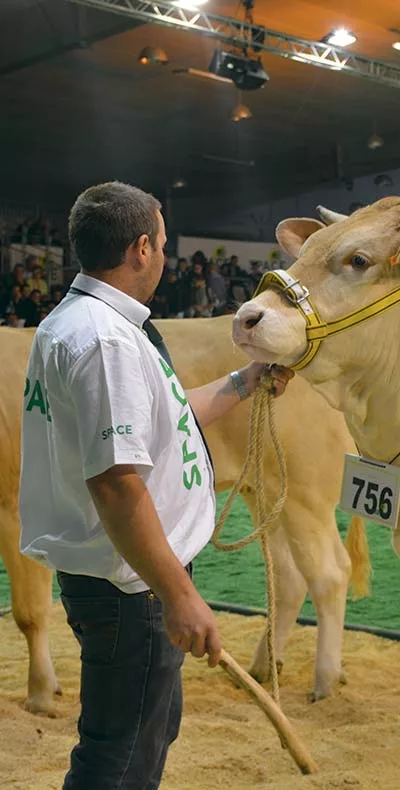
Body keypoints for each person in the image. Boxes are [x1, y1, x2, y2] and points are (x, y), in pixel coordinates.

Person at [18, 181, 295, 790]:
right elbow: (117, 485)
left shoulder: (80, 322)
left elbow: (164, 418)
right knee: (117, 757)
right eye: (163, 243)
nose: (165, 256)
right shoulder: (106, 341)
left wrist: (247, 381)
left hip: (128, 576)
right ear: (141, 248)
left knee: (144, 735)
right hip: (132, 583)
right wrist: (179, 594)